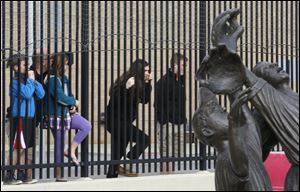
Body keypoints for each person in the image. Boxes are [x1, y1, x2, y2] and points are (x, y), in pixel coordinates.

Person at [192, 88, 272, 191]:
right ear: (207, 131)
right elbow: (241, 167)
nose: (225, 109)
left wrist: (233, 89)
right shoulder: (225, 159)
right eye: (218, 111)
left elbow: (252, 125)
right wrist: (233, 123)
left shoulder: (244, 146)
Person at [43, 52, 91, 182]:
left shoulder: (65, 78)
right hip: (56, 115)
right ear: (60, 64)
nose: (68, 66)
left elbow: (68, 94)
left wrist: (72, 105)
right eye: (66, 63)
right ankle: (59, 174)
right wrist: (74, 101)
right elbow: (59, 97)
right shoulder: (52, 79)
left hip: (67, 113)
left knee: (86, 126)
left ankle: (70, 150)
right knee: (59, 144)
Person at [106, 59, 152, 178]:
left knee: (118, 152)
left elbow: (145, 100)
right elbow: (115, 101)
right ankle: (128, 160)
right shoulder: (126, 81)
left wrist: (148, 83)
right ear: (139, 71)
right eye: (146, 70)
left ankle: (112, 175)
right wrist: (125, 88)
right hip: (115, 121)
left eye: (149, 70)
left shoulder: (140, 83)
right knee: (144, 139)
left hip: (124, 122)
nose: (148, 72)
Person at [4, 54, 45, 185]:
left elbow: (41, 94)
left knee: (25, 147)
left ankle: (21, 173)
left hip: (30, 118)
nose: (27, 67)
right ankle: (8, 174)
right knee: (18, 147)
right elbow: (27, 94)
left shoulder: (28, 80)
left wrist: (33, 80)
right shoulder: (15, 82)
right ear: (16, 67)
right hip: (20, 117)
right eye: (24, 65)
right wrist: (31, 80)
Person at [154, 53, 188, 174]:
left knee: (175, 153)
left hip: (179, 122)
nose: (185, 68)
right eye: (183, 65)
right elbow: (157, 104)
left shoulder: (180, 80)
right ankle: (165, 175)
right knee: (166, 153)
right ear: (175, 65)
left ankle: (171, 176)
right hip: (167, 123)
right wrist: (164, 121)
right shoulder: (163, 81)